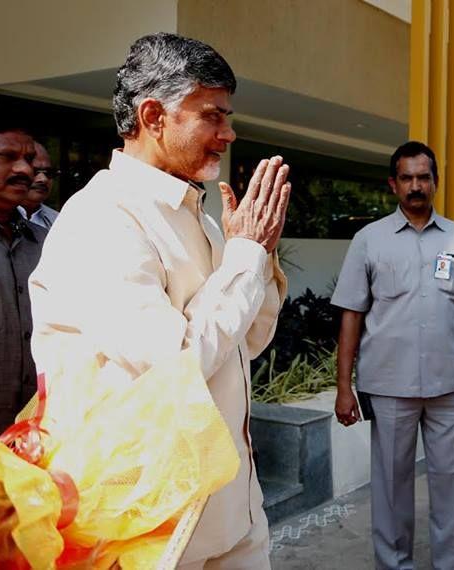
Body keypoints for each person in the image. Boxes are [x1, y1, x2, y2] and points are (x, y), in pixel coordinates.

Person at [28, 33, 290, 568]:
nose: (228, 133)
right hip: (151, 528)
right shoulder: (102, 217)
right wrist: (245, 257)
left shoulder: (203, 217)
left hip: (235, 507)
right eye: (212, 116)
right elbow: (180, 364)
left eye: (227, 116)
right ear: (154, 115)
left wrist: (256, 253)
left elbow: (250, 340)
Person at [332, 141, 454, 570]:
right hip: (389, 387)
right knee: (391, 489)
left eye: (423, 177)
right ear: (393, 184)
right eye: (407, 178)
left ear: (435, 183)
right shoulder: (368, 240)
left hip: (453, 385)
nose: (416, 186)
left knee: (452, 486)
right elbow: (351, 315)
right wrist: (343, 386)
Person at [0, 123, 45, 432]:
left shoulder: (48, 242)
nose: (24, 169)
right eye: (8, 156)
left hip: (33, 427)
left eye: (29, 159)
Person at [17, 142, 59, 229]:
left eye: (49, 173)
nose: (43, 179)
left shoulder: (59, 221)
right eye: (34, 171)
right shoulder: (1, 218)